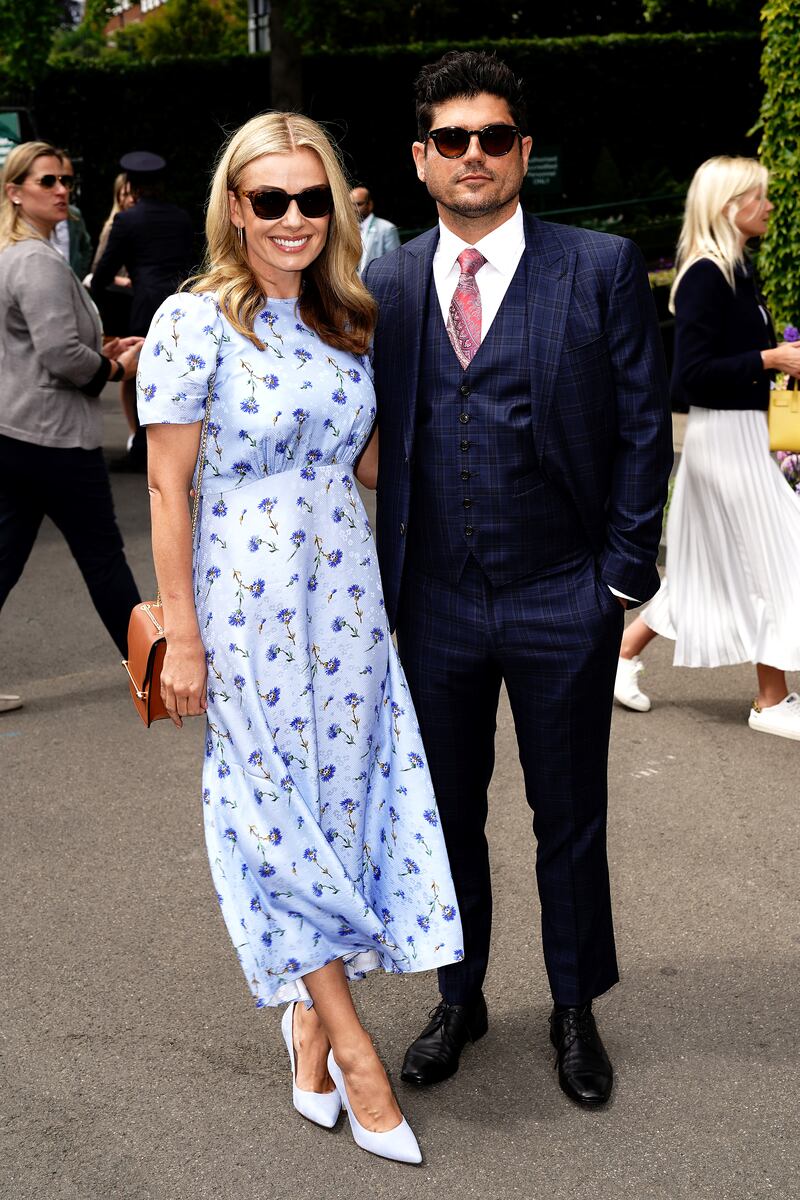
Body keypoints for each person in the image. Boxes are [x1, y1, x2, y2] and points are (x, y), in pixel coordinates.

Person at [136, 112, 463, 1165]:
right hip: (243, 601)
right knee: (275, 813)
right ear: (233, 207)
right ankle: (356, 1054)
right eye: (267, 199)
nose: (289, 218)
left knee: (345, 800)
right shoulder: (195, 322)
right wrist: (180, 633)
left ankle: (307, 1030)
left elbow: (369, 466)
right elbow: (166, 486)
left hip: (347, 602)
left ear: (335, 208)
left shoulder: (344, 319)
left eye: (309, 198)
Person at [363, 50, 673, 1106]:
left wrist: (621, 582)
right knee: (443, 813)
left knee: (567, 815)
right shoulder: (387, 281)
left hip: (561, 594)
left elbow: (642, 429)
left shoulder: (595, 267)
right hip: (434, 602)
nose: (473, 156)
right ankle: (460, 997)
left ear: (523, 153)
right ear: (419, 159)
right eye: (450, 139)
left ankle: (574, 1006)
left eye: (493, 137)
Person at [614, 156, 800, 738]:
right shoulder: (705, 275)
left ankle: (622, 655)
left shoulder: (737, 270)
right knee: (776, 561)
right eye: (759, 197)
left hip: (742, 436)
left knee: (718, 572)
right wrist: (770, 359)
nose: (769, 205)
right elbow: (687, 379)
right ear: (730, 206)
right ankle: (771, 702)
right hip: (722, 442)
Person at [0, 142, 142, 713]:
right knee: (105, 560)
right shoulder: (33, 259)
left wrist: (98, 346)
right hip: (54, 438)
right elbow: (60, 355)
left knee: (5, 557)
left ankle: (151, 669)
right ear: (15, 192)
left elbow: (32, 344)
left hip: (20, 433)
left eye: (65, 180)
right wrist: (114, 366)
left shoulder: (14, 254)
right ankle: (154, 673)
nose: (62, 189)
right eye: (46, 181)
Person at [92, 151, 195, 469]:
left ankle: (142, 449)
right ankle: (179, 448)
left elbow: (104, 274)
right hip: (181, 306)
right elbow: (192, 264)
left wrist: (101, 304)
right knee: (178, 378)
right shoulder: (181, 217)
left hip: (143, 308)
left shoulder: (127, 220)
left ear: (132, 186)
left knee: (140, 380)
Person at [49, 150, 93, 279]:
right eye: (49, 181)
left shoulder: (74, 215)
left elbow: (86, 248)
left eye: (66, 181)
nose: (62, 189)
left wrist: (78, 276)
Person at [350, 185, 400, 274]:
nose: (354, 209)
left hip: (378, 285)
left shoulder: (387, 229)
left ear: (370, 205)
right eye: (351, 205)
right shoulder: (349, 230)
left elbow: (395, 264)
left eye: (359, 204)